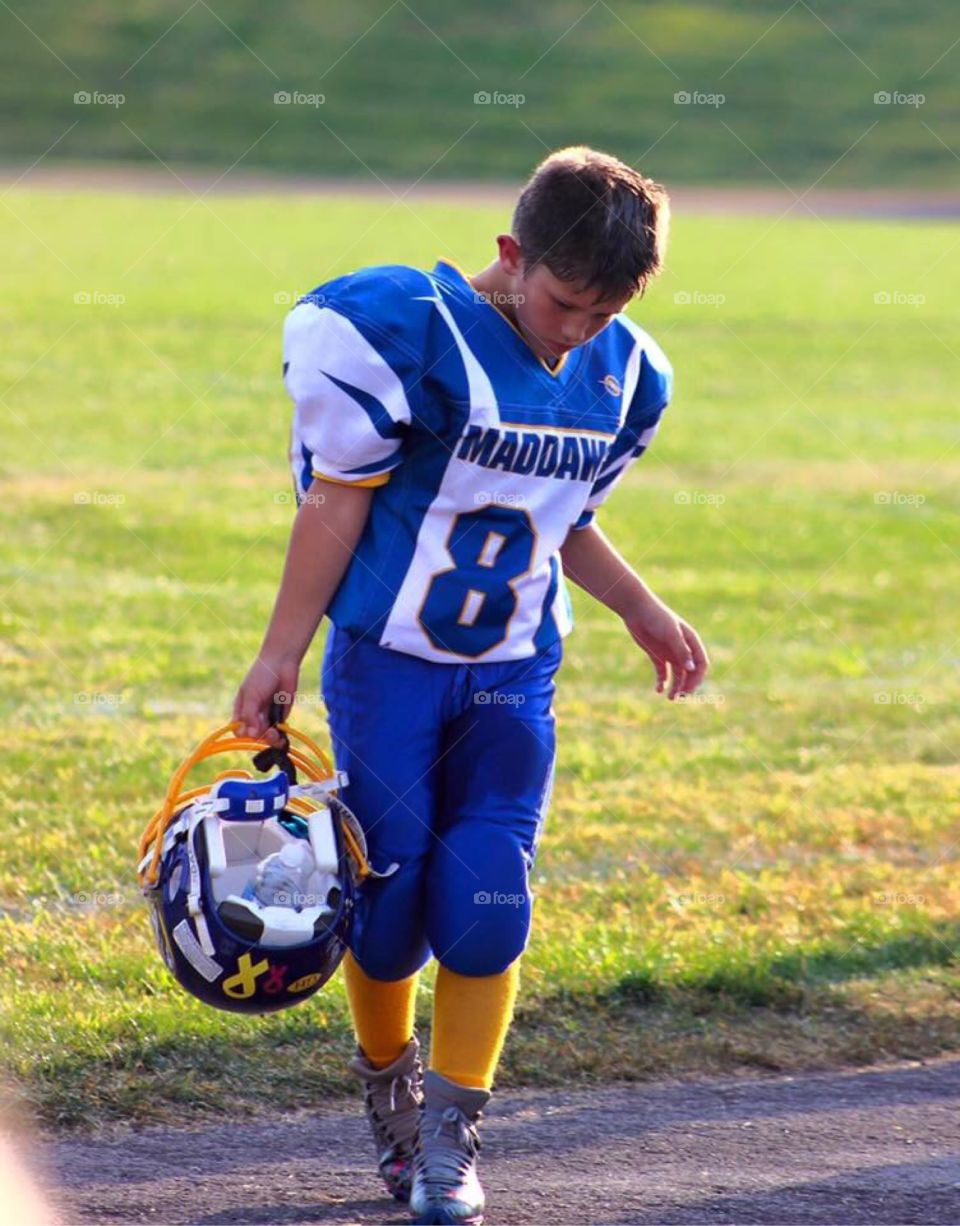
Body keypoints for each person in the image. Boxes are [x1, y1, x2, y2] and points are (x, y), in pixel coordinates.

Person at [234, 145, 708, 1226]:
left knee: (489, 896)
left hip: (511, 673)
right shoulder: (405, 330)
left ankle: (451, 1135)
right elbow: (335, 507)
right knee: (390, 910)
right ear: (511, 254)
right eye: (562, 302)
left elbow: (565, 517)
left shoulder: (625, 370)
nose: (576, 330)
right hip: (389, 667)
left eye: (602, 311)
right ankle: (388, 1090)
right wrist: (279, 653)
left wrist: (643, 606)